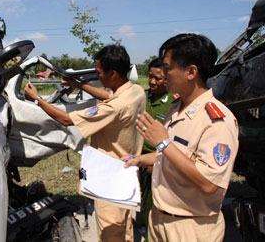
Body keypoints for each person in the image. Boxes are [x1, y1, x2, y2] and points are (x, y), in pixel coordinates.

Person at [24, 44, 146, 242]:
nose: (98, 77)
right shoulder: (136, 92)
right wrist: (79, 85)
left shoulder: (115, 107)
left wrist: (37, 98)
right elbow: (108, 96)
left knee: (110, 232)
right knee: (125, 228)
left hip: (110, 181)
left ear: (113, 73)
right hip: (128, 173)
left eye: (99, 73)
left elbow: (66, 119)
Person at [124, 33, 239, 242]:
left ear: (191, 72)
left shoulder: (217, 120)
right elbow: (173, 157)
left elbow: (209, 183)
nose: (163, 74)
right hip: (160, 220)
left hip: (190, 227)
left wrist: (164, 143)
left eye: (168, 68)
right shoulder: (175, 110)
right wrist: (140, 160)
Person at [139, 57, 174, 235]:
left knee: (158, 205)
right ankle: (147, 232)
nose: (152, 82)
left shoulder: (175, 102)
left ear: (167, 78)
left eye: (157, 78)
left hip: (160, 162)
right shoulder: (143, 96)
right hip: (141, 161)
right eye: (150, 77)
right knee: (145, 202)